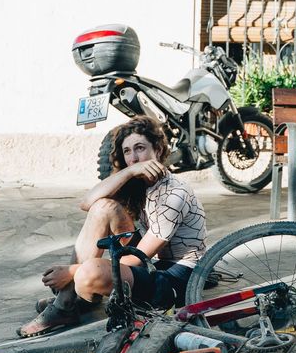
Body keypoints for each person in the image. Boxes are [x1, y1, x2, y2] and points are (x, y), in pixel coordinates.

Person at [18, 115, 207, 337]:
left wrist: (70, 272)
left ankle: (73, 299)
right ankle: (67, 301)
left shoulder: (175, 194)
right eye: (127, 152)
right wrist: (129, 172)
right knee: (103, 207)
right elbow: (87, 203)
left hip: (177, 278)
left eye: (140, 148)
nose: (134, 158)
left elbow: (139, 256)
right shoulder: (140, 181)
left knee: (89, 273)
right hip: (153, 264)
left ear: (157, 149)